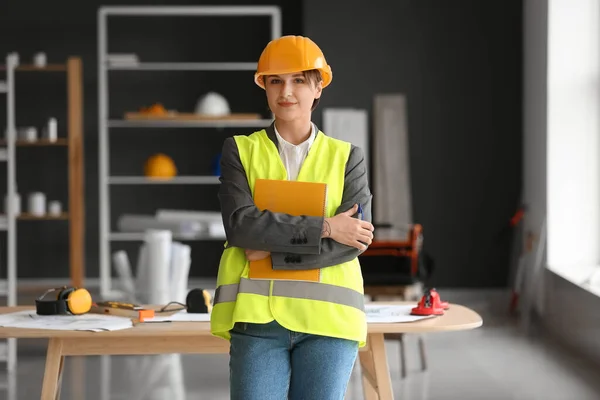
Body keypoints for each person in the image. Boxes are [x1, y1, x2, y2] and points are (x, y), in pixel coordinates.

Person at [210, 35, 374, 400]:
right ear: (265, 88)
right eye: (276, 81)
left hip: (328, 324)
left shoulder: (349, 158)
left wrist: (270, 252)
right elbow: (241, 227)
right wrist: (330, 226)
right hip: (258, 322)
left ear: (318, 87)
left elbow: (356, 240)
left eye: (299, 80)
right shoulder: (240, 150)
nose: (287, 91)